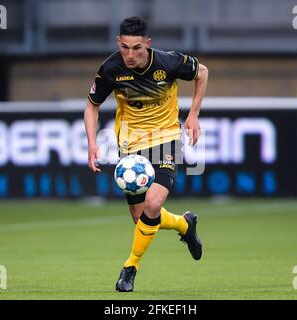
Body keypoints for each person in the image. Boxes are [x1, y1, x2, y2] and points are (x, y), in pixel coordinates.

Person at [84, 16, 208, 292]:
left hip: (165, 139)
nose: (130, 54)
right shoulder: (111, 68)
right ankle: (184, 225)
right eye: (125, 47)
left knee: (153, 204)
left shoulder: (168, 63)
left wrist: (194, 114)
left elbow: (202, 73)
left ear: (147, 44)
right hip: (130, 146)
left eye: (137, 48)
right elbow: (91, 106)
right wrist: (92, 143)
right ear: (119, 42)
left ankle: (130, 268)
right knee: (142, 219)